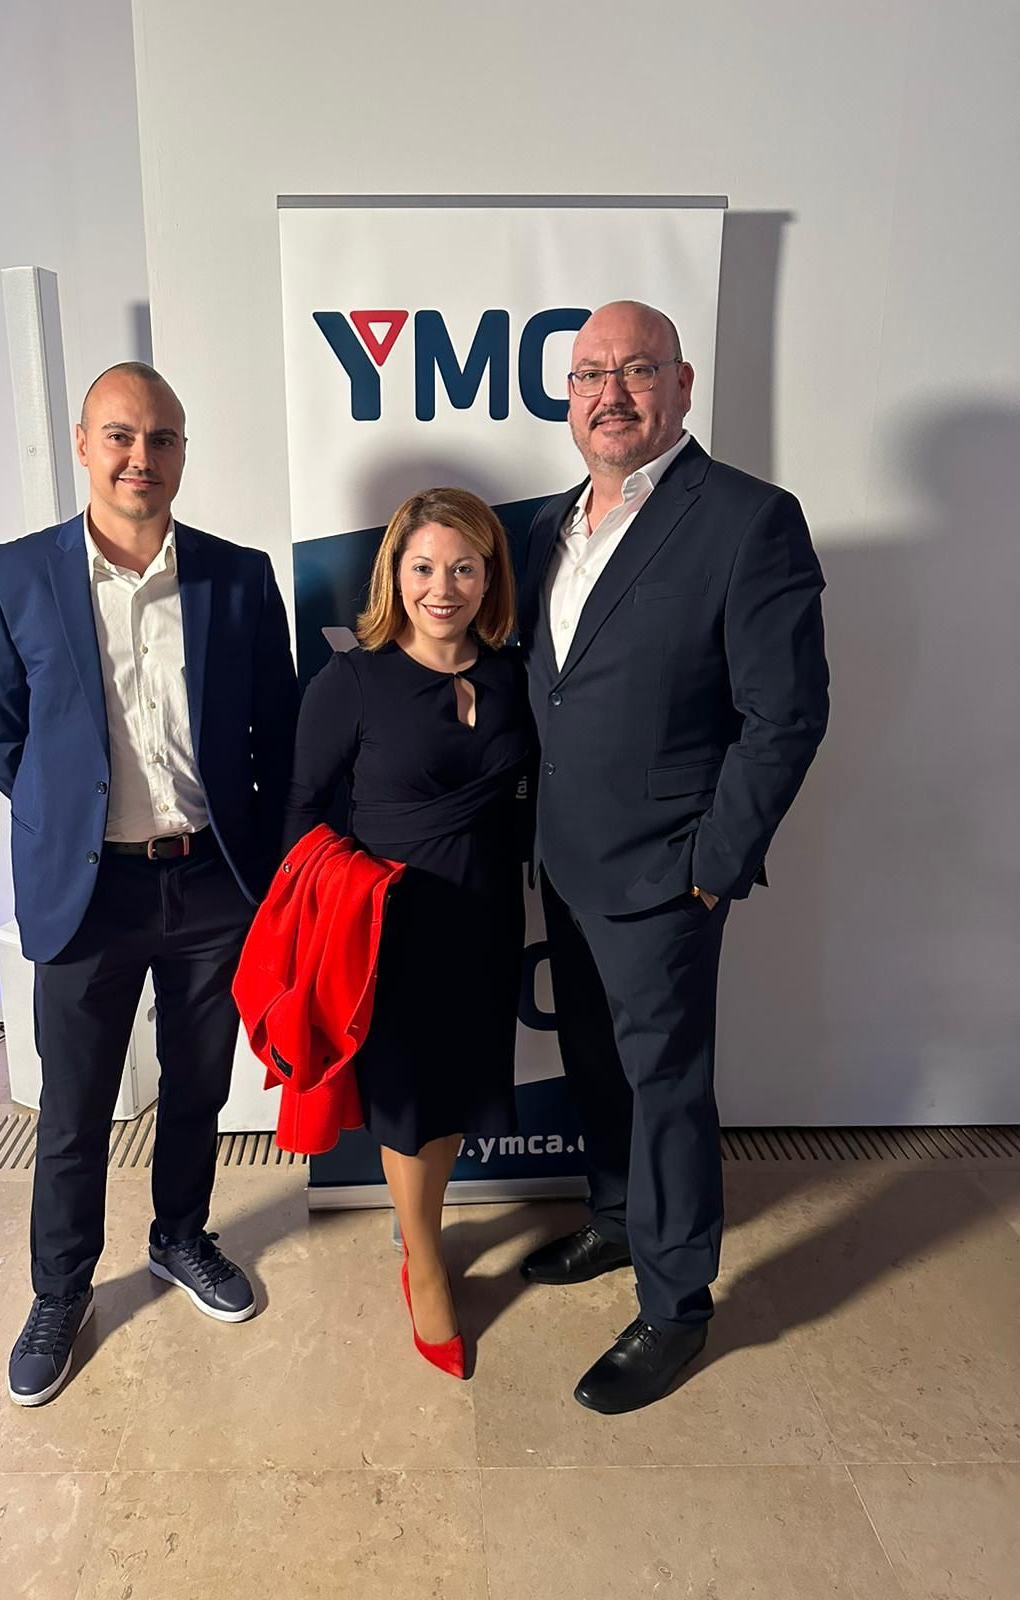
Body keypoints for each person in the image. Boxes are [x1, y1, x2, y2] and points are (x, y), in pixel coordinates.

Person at [0, 361, 297, 1405]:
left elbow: (278, 730)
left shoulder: (239, 577)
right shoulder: (11, 577)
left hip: (211, 882)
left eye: (161, 438)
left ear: (183, 452)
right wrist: (71, 819)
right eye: (119, 435)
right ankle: (60, 1290)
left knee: (200, 1084)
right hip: (86, 890)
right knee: (74, 1107)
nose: (140, 457)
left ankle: (180, 1235)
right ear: (82, 444)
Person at [518, 301, 829, 1413]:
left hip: (666, 873)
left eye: (637, 371)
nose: (612, 393)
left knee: (667, 1088)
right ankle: (615, 1218)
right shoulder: (551, 525)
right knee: (596, 1062)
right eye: (590, 374)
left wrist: (714, 861)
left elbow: (785, 714)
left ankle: (676, 1304)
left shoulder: (748, 519)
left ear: (682, 385)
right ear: (568, 396)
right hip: (565, 859)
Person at [284, 488, 532, 1378]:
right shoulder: (352, 682)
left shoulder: (513, 675)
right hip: (390, 933)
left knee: (454, 1093)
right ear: (395, 573)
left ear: (490, 578)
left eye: (464, 568)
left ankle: (419, 1227)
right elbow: (301, 813)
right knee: (409, 1103)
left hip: (486, 922)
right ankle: (424, 1260)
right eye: (423, 567)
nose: (442, 587)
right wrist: (345, 897)